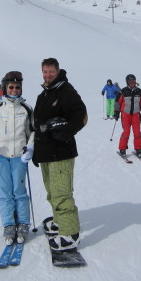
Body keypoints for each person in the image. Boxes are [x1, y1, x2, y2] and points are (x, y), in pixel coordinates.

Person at [32, 58, 88, 251]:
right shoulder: (45, 93)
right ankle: (59, 221)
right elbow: (38, 125)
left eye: (51, 72)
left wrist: (66, 133)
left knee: (62, 193)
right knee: (51, 192)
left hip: (61, 153)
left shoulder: (66, 91)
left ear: (58, 71)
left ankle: (70, 234)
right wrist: (36, 151)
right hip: (47, 153)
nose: (48, 75)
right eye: (45, 72)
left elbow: (81, 115)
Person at [0, 71, 34, 244]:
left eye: (17, 87)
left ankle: (23, 223)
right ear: (5, 88)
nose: (14, 90)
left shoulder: (26, 108)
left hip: (19, 156)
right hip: (1, 156)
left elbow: (32, 132)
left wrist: (31, 148)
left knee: (19, 191)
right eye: (11, 87)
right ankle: (9, 225)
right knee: (5, 191)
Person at [114, 74, 141, 159]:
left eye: (133, 81)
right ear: (127, 82)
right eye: (130, 81)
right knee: (126, 132)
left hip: (136, 115)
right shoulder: (123, 91)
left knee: (137, 132)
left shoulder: (139, 92)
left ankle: (138, 149)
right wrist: (116, 112)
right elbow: (117, 102)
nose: (132, 83)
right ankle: (122, 149)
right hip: (125, 115)